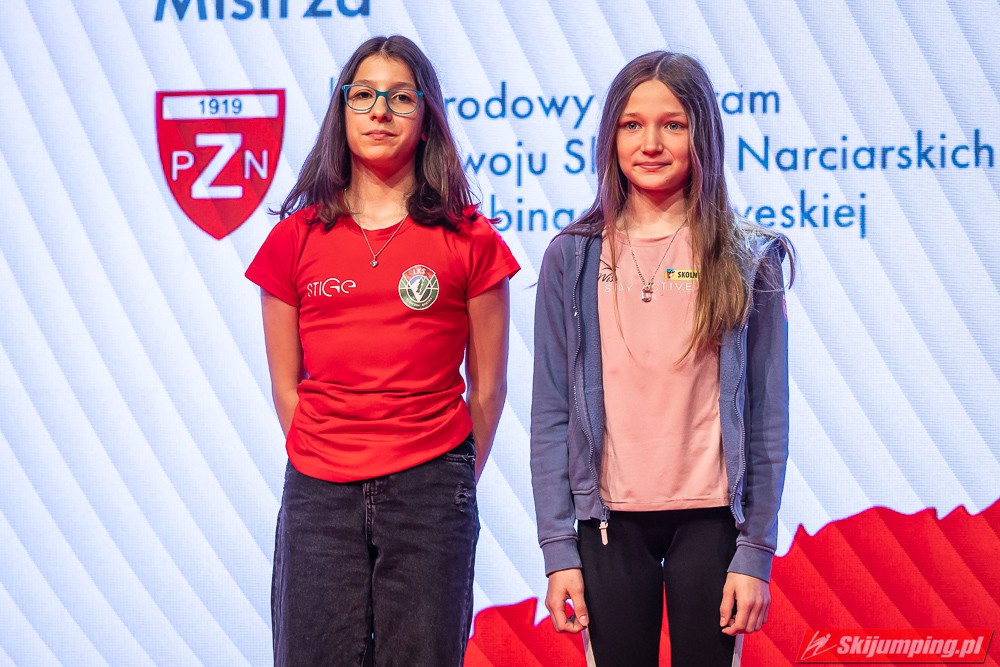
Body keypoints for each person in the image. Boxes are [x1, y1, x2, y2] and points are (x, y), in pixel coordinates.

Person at [246, 35, 519, 666]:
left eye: (400, 97)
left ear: (426, 117)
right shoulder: (295, 238)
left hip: (430, 490)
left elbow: (488, 389)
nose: (380, 111)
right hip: (320, 493)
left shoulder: (469, 238)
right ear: (341, 110)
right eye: (364, 95)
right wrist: (331, 450)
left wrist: (445, 474)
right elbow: (286, 386)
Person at [529, 51, 794, 666]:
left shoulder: (746, 258)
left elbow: (767, 420)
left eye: (673, 124)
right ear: (610, 137)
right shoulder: (571, 257)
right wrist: (557, 550)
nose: (651, 143)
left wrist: (756, 550)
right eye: (632, 125)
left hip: (713, 524)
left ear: (703, 136)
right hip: (607, 527)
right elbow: (551, 413)